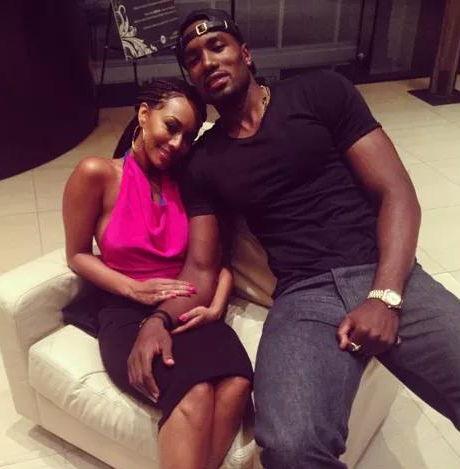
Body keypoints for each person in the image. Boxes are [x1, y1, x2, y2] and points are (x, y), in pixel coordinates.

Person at [153, 8, 460, 468]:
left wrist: (384, 296)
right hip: (302, 297)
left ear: (245, 53)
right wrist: (157, 319)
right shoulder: (203, 161)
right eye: (194, 59)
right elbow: (200, 266)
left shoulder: (320, 91)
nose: (208, 62)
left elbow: (396, 192)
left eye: (217, 46)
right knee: (288, 445)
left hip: (378, 267)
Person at [62, 79, 253, 469]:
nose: (178, 143)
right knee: (195, 393)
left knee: (237, 383)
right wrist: (134, 289)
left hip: (188, 303)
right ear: (144, 114)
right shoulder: (97, 173)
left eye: (188, 136)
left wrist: (217, 303)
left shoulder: (191, 182)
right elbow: (77, 255)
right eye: (171, 126)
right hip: (125, 309)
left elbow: (214, 261)